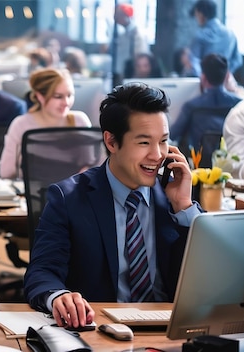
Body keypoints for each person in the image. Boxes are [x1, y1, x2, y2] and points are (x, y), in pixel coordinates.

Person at [24, 82, 203, 329]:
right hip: (102, 330)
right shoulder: (68, 198)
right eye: (143, 143)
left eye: (163, 141)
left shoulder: (174, 197)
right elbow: (42, 272)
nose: (157, 154)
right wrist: (59, 296)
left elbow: (208, 279)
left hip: (169, 330)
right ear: (111, 142)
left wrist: (184, 206)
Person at [0, 68, 93, 179]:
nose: (66, 102)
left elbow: (94, 165)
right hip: (35, 193)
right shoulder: (21, 125)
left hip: (73, 192)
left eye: (69, 95)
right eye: (58, 96)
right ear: (40, 97)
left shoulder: (79, 121)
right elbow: (6, 172)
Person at [170, 54, 242, 158]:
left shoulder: (192, 106)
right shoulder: (239, 104)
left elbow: (173, 135)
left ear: (203, 77)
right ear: (227, 76)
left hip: (199, 167)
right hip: (232, 163)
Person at [189, 0, 242, 89]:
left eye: (196, 15)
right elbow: (238, 60)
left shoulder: (200, 36)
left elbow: (194, 61)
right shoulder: (230, 33)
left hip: (206, 86)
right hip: (227, 83)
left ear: (201, 14)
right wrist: (225, 73)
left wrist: (204, 79)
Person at [109, 3, 150, 86]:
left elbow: (141, 56)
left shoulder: (137, 34)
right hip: (120, 72)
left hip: (131, 73)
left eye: (118, 15)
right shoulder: (122, 35)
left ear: (125, 15)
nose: (115, 18)